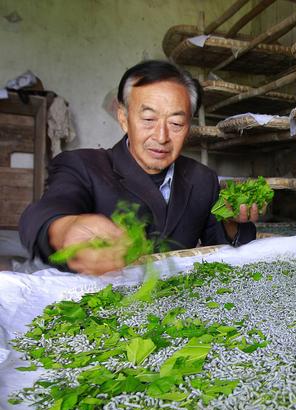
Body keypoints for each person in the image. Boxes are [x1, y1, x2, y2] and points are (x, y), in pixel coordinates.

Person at [19, 60, 258, 275]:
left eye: (176, 123)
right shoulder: (84, 166)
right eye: (148, 119)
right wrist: (64, 230)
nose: (162, 136)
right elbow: (43, 212)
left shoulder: (202, 179)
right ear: (123, 118)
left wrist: (232, 222)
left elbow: (219, 251)